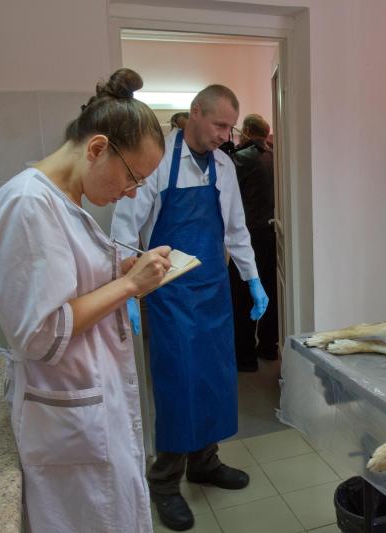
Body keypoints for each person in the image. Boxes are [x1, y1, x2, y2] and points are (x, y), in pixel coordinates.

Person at [0, 68, 170, 533]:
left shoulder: (66, 200)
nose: (132, 192)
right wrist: (128, 287)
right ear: (98, 148)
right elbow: (41, 334)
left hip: (91, 405)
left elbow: (66, 288)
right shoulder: (28, 206)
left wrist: (118, 273)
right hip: (68, 419)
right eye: (133, 177)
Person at [110, 84, 268, 531]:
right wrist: (128, 290)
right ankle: (163, 481)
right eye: (219, 124)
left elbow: (236, 231)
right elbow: (126, 230)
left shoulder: (224, 165)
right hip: (168, 295)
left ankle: (205, 462)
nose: (225, 134)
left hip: (213, 292)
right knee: (179, 385)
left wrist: (252, 279)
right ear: (195, 113)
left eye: (230, 126)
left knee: (215, 379)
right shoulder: (158, 161)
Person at [229, 114, 278, 371]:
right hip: (272, 234)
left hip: (248, 238)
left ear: (246, 130)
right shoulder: (275, 157)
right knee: (270, 292)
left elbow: (227, 191)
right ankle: (269, 347)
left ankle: (245, 358)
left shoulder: (241, 159)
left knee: (242, 298)